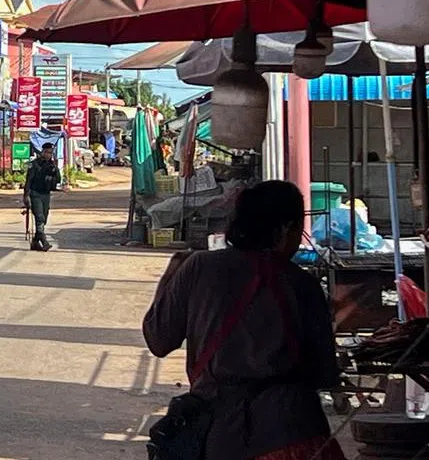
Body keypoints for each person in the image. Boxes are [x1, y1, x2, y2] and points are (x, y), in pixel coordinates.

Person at [142, 180, 344, 460]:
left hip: (221, 436)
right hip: (293, 436)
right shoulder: (302, 284)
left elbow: (158, 340)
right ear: (286, 230)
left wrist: (170, 277)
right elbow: (325, 373)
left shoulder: (198, 267)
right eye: (299, 229)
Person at [23, 143, 60, 251]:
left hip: (46, 194)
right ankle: (44, 241)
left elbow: (57, 180)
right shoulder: (34, 164)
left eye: (50, 152)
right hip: (35, 194)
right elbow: (28, 181)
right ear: (42, 152)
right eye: (46, 152)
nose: (48, 155)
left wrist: (55, 169)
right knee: (39, 217)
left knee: (44, 218)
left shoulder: (52, 165)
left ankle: (35, 242)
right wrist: (26, 196)